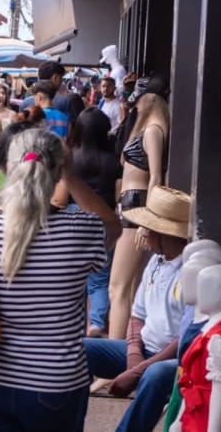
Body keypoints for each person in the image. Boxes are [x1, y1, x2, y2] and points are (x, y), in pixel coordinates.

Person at [0, 129, 120, 432]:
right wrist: (72, 176)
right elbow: (113, 226)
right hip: (55, 383)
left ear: (7, 169)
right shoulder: (82, 229)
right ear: (57, 173)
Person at [85, 187, 191, 432]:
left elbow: (184, 338)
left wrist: (138, 370)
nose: (143, 232)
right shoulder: (156, 260)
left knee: (154, 375)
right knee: (80, 350)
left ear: (166, 234)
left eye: (150, 227)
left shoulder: (189, 270)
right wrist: (134, 357)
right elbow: (137, 315)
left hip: (174, 359)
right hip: (142, 350)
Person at [108, 86, 170, 342]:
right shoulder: (147, 128)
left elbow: (156, 175)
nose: (135, 103)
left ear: (150, 98)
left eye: (139, 97)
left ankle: (110, 361)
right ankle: (122, 353)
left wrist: (148, 220)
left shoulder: (154, 130)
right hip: (132, 205)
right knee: (128, 288)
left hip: (138, 206)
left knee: (118, 287)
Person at [73, 108, 123, 338]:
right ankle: (96, 323)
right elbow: (119, 193)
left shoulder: (73, 159)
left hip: (75, 221)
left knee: (76, 277)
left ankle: (76, 321)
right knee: (100, 279)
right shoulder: (112, 162)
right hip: (104, 222)